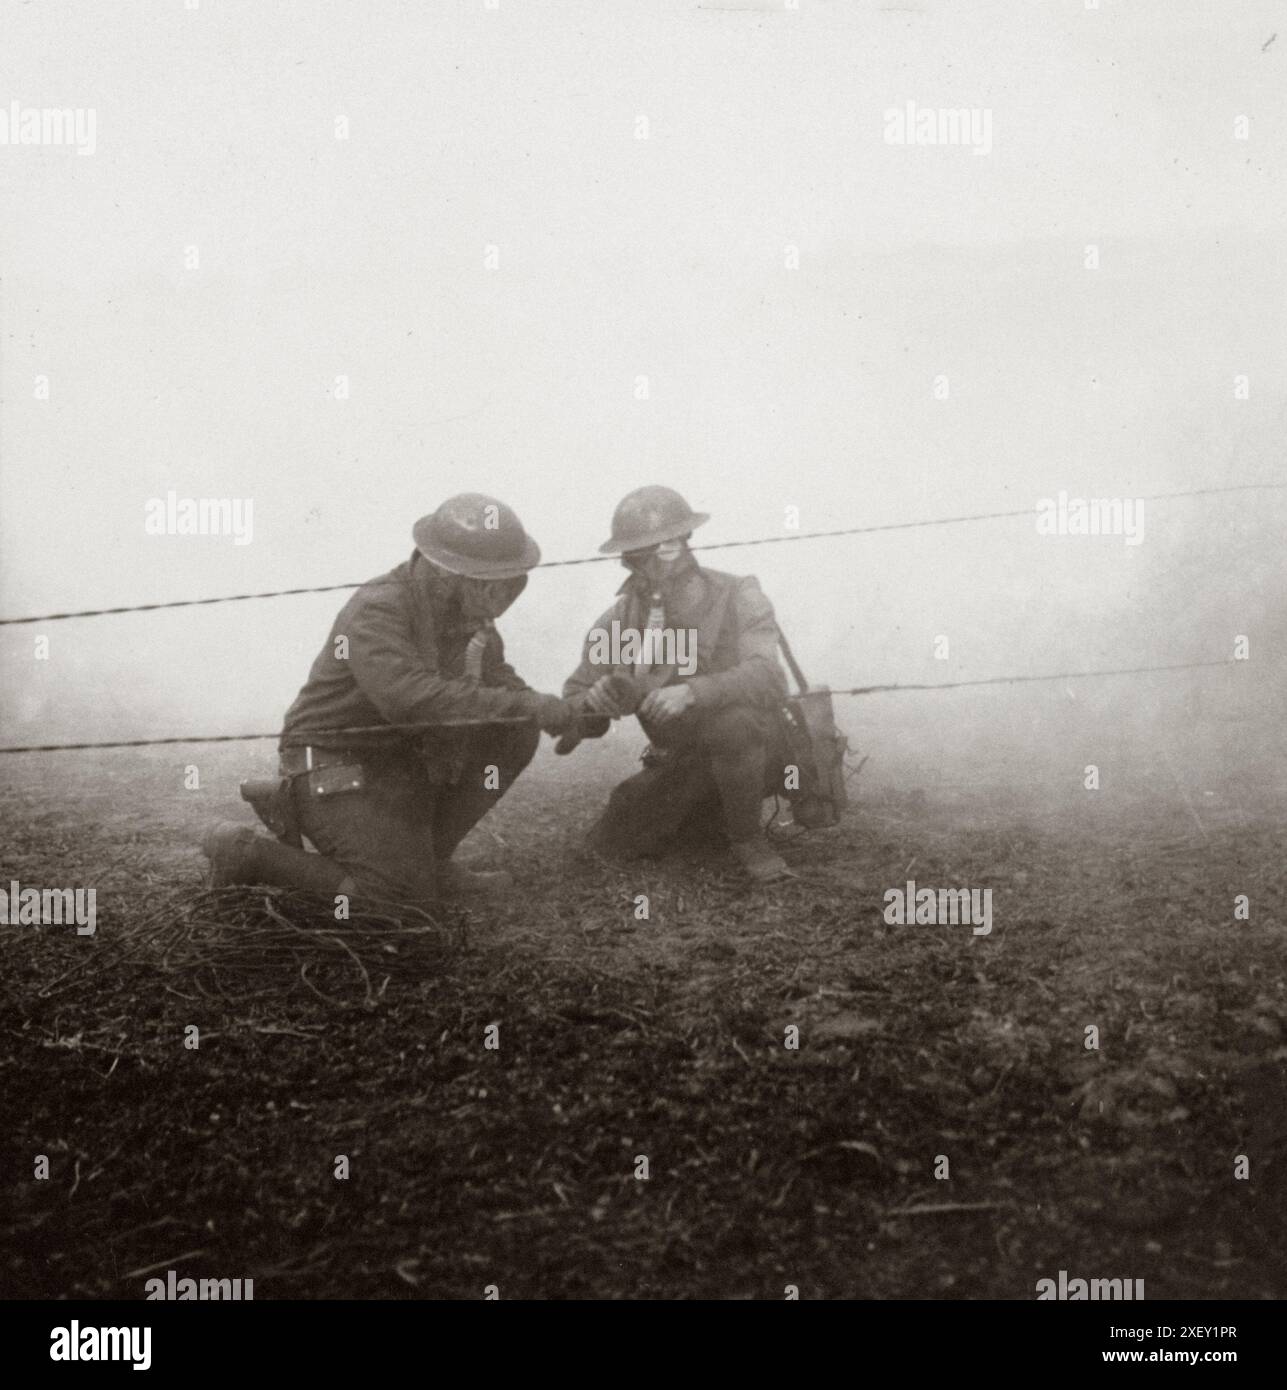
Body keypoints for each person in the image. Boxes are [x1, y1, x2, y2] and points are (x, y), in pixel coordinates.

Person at [201, 493, 578, 904]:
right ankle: (248, 854)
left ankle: (429, 862)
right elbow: (411, 701)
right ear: (448, 573)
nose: (506, 593)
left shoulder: (463, 615)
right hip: (334, 765)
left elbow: (496, 679)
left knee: (514, 730)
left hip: (396, 766)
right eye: (492, 581)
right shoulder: (380, 607)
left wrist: (554, 709)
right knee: (399, 906)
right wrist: (527, 705)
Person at [557, 485, 794, 883]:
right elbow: (575, 703)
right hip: (682, 760)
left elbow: (769, 676)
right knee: (614, 840)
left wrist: (692, 693)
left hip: (755, 749)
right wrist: (591, 704)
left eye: (666, 548)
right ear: (629, 560)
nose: (657, 563)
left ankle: (748, 839)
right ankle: (707, 817)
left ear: (686, 542)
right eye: (641, 554)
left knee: (732, 724)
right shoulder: (618, 620)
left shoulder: (738, 594)